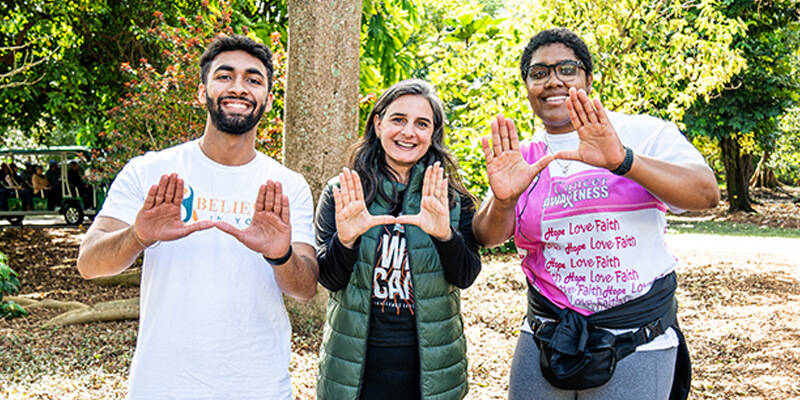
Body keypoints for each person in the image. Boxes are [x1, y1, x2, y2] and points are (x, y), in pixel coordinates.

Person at [472, 28, 720, 400]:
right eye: (539, 73)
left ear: (588, 78)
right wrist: (504, 200)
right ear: (527, 87)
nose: (553, 80)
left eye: (566, 69)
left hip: (636, 338)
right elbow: (486, 236)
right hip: (546, 333)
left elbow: (706, 193)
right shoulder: (522, 156)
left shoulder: (642, 132)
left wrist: (624, 161)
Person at [77, 35, 319, 400]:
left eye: (253, 80)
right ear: (201, 91)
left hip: (259, 387)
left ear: (268, 99)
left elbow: (305, 289)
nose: (239, 87)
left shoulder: (288, 185)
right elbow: (89, 264)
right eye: (225, 76)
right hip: (162, 387)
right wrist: (138, 236)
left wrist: (280, 254)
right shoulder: (149, 171)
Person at [315, 79, 482, 400]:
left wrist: (445, 236)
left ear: (433, 134)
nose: (408, 132)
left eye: (422, 124)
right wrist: (346, 241)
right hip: (354, 367)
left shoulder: (451, 197)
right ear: (378, 123)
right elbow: (330, 279)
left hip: (431, 369)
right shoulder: (343, 193)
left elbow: (465, 275)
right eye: (398, 119)